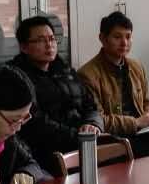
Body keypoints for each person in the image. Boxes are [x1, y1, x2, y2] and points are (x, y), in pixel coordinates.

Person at [9, 15, 103, 162]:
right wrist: (78, 136)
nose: (49, 45)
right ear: (24, 47)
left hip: (84, 142)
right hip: (48, 153)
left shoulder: (65, 70)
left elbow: (91, 105)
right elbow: (36, 124)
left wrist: (92, 124)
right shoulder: (17, 78)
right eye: (41, 40)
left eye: (52, 39)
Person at [78, 11, 149, 157]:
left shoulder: (137, 67)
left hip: (142, 132)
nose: (124, 43)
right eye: (117, 37)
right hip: (115, 139)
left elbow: (147, 103)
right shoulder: (88, 74)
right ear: (102, 38)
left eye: (128, 37)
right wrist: (136, 123)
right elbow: (100, 120)